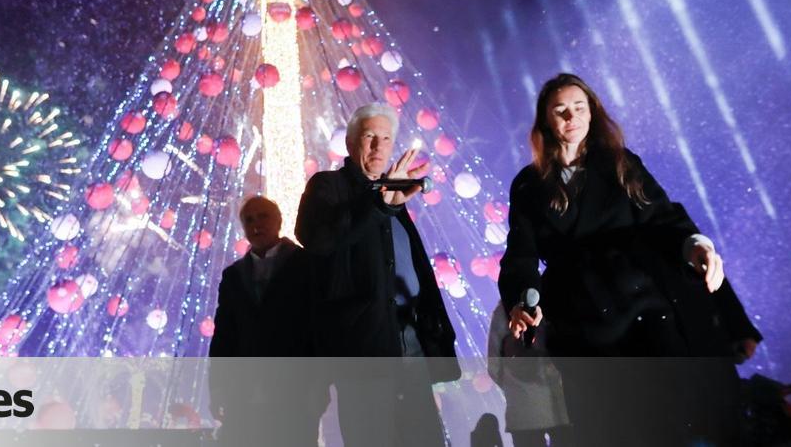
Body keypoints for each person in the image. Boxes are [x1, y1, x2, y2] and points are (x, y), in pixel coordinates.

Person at [498, 73, 761, 446]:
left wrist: (695, 244)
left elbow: (664, 217)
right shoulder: (529, 184)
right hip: (579, 319)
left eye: (579, 107)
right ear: (546, 120)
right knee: (607, 424)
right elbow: (520, 253)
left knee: (671, 416)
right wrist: (523, 300)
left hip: (643, 306)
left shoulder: (621, 163)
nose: (571, 117)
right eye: (560, 110)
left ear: (592, 113)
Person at [295, 102, 459, 447]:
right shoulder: (328, 186)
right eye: (370, 136)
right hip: (363, 349)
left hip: (410, 346)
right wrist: (379, 204)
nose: (378, 146)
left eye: (386, 138)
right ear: (351, 142)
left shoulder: (392, 194)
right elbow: (317, 239)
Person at [208, 196, 325, 447]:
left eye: (263, 216)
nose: (256, 225)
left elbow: (318, 326)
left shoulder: (307, 264)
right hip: (245, 390)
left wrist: (319, 382)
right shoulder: (234, 276)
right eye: (249, 220)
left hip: (296, 388)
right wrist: (217, 386)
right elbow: (224, 336)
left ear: (279, 220)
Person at [486, 302, 570, 447]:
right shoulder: (551, 300)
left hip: (522, 412)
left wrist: (512, 386)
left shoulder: (502, 311)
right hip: (560, 406)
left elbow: (493, 366)